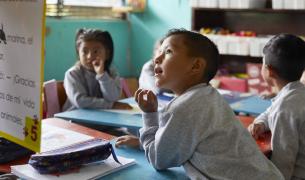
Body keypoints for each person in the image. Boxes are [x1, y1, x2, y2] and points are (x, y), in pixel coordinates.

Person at [134, 28, 283, 179]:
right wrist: (143, 142)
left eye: (168, 51)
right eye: (159, 51)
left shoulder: (183, 108)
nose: (157, 59)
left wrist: (149, 114)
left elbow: (158, 159)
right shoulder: (208, 95)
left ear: (196, 66)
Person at [248, 34, 305, 180]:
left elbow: (283, 162)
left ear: (269, 70)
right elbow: (271, 111)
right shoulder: (297, 93)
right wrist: (261, 122)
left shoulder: (285, 108)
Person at [63, 28, 131, 111]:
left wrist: (102, 75)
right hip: (74, 119)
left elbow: (113, 98)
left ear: (107, 54)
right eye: (85, 51)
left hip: (101, 117)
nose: (90, 56)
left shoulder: (112, 73)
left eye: (95, 51)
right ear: (78, 53)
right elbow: (80, 101)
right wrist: (111, 105)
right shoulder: (72, 74)